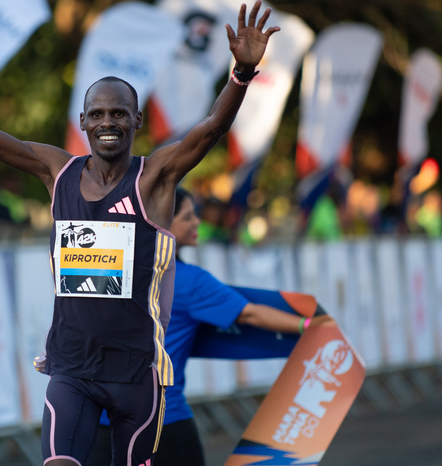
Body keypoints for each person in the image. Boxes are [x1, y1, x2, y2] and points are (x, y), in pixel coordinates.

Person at [0, 0, 278, 466]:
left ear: (137, 120)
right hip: (72, 369)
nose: (107, 122)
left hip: (137, 372)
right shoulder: (56, 171)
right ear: (82, 122)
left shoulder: (154, 178)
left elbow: (211, 129)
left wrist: (241, 73)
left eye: (118, 113)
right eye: (96, 114)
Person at [88, 188, 308, 466]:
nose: (197, 222)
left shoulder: (113, 270)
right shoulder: (188, 281)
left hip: (103, 421)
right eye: (187, 217)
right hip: (164, 422)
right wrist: (308, 325)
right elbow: (250, 314)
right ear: (162, 222)